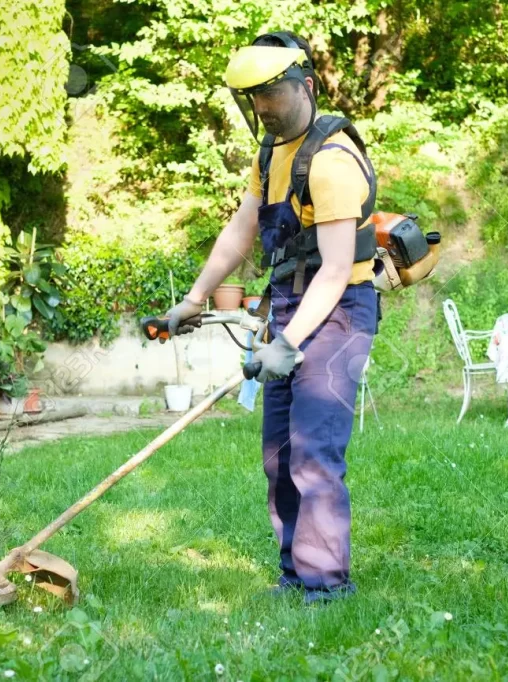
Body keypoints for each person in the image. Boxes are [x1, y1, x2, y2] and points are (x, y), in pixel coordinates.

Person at [162, 31, 379, 605]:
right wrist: (194, 298)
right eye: (254, 97)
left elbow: (336, 270)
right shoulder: (271, 153)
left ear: (306, 86)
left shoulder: (332, 162)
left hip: (338, 312)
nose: (263, 107)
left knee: (313, 453)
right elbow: (241, 230)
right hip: (288, 306)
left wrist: (288, 343)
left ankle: (327, 585)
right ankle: (295, 573)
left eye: (272, 94)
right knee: (279, 457)